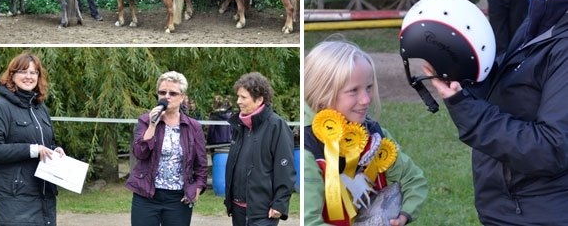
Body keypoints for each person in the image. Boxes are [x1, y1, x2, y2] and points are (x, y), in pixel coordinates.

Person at [421, 0, 568, 225]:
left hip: (540, 214)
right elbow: (511, 87)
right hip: (511, 206)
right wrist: (462, 71)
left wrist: (464, 108)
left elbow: (550, 148)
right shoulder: (540, 20)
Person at [304, 39, 428, 226]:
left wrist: (403, 215)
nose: (366, 99)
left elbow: (413, 180)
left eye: (369, 87)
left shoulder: (376, 136)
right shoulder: (308, 150)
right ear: (322, 93)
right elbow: (308, 221)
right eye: (353, 90)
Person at [0, 52, 65, 225]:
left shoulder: (41, 109)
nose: (29, 77)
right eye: (23, 71)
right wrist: (32, 150)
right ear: (12, 75)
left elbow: (45, 144)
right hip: (13, 202)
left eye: (34, 72)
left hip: (43, 198)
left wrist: (54, 151)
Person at [125, 71, 208, 226]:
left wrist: (197, 187)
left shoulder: (193, 126)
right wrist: (152, 126)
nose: (166, 96)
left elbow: (201, 164)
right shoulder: (145, 120)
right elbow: (139, 153)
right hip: (147, 195)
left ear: (182, 96)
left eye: (173, 93)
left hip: (178, 199)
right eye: (162, 92)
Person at [225, 72, 296, 226]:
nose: (238, 102)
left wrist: (280, 203)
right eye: (238, 97)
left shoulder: (276, 126)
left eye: (243, 97)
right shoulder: (239, 126)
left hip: (263, 212)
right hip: (238, 209)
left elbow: (285, 167)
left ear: (259, 100)